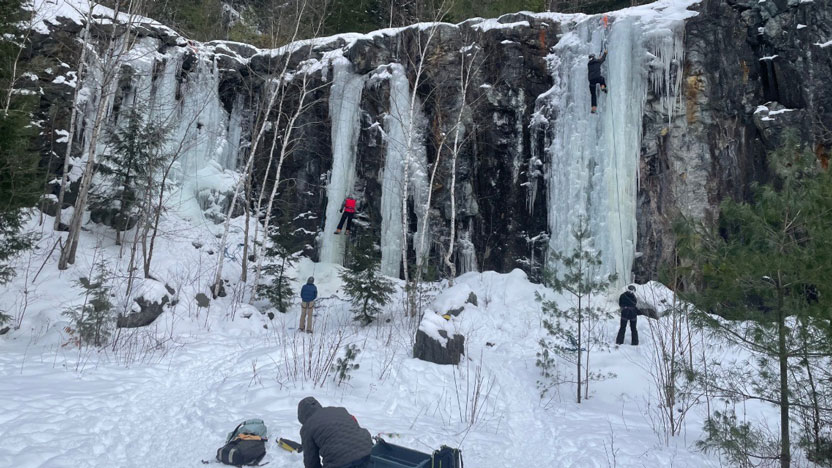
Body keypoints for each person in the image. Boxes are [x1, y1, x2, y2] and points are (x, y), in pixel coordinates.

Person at [297, 396, 373, 468]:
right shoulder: (340, 410)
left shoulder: (307, 426)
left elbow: (311, 462)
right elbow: (355, 429)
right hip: (369, 454)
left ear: (302, 417)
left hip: (341, 463)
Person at [588, 49, 608, 114]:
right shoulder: (597, 61)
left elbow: (596, 62)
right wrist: (605, 53)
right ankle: (602, 87)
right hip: (597, 78)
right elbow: (602, 59)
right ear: (594, 57)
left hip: (591, 80)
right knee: (602, 79)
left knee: (593, 94)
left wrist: (598, 59)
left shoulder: (588, 64)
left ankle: (593, 108)